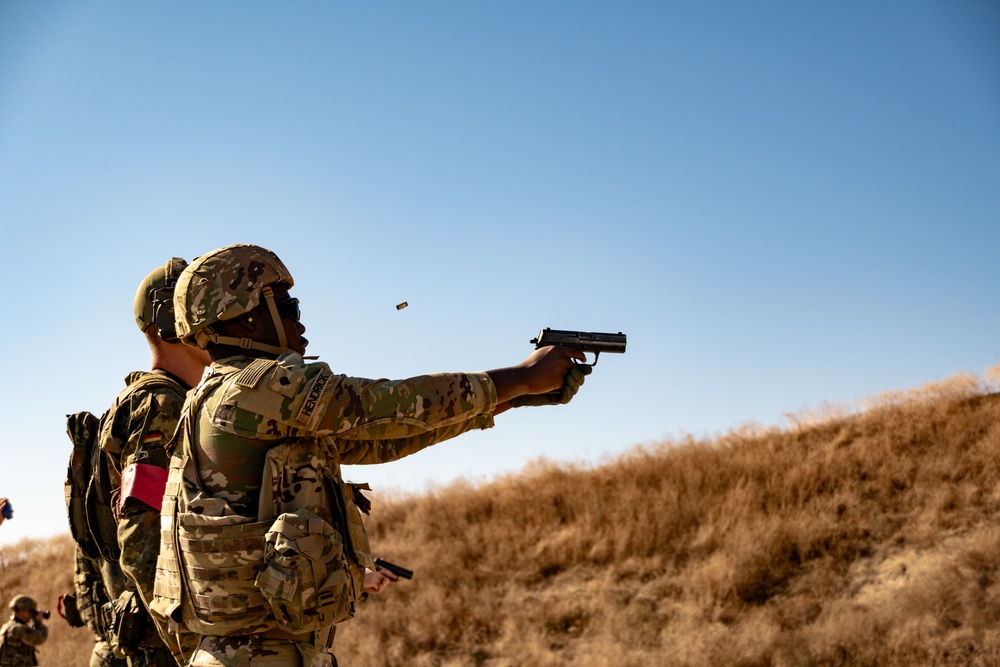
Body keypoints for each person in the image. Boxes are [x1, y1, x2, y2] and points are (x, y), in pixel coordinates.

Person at [150, 243, 591, 667]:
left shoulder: (221, 399)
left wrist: (508, 400)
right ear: (244, 320)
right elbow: (388, 405)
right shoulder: (255, 388)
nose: (300, 322)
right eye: (288, 309)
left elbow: (380, 439)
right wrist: (521, 377)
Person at [96, 259, 210, 666]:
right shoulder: (162, 404)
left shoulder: (170, 399)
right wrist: (193, 650)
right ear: (170, 319)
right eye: (204, 305)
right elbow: (141, 534)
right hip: (169, 643)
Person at [69, 549, 128, 667]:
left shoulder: (83, 537)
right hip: (119, 649)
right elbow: (119, 593)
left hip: (104, 649)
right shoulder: (103, 535)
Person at [0, 596, 48, 667]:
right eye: (30, 611)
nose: (31, 615)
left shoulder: (7, 626)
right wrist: (38, 622)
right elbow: (40, 637)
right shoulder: (19, 629)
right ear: (22, 611)